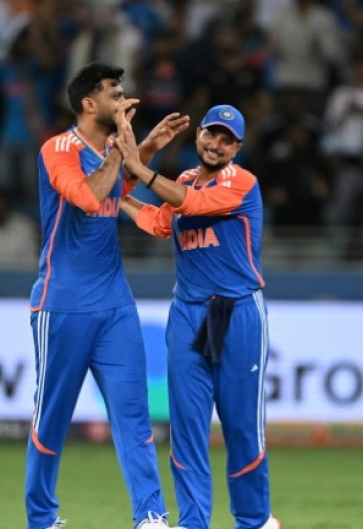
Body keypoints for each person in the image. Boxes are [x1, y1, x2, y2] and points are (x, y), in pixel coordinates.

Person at [26, 62, 190, 529]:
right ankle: (42, 519)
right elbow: (90, 197)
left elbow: (119, 190)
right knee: (51, 418)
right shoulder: (56, 149)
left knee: (135, 416)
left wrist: (148, 146)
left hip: (115, 304)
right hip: (61, 303)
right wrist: (123, 148)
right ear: (89, 104)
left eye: (123, 93)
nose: (123, 101)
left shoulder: (114, 150)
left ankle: (151, 516)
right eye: (114, 95)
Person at [113, 104, 280, 529]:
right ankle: (193, 523)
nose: (216, 144)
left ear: (237, 147)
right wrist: (119, 197)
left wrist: (139, 167)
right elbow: (160, 222)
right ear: (199, 133)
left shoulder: (242, 183)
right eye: (211, 134)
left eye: (227, 139)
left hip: (235, 310)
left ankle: (255, 520)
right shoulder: (184, 178)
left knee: (241, 428)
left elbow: (190, 203)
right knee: (186, 429)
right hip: (187, 312)